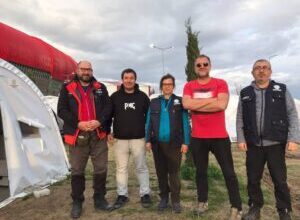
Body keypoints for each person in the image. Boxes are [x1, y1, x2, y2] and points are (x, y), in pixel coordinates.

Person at [236, 59, 299, 220]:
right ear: (252, 73)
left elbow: (292, 114)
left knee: (279, 179)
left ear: (270, 71)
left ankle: (284, 210)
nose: (261, 71)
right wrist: (241, 138)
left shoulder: (281, 89)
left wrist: (293, 138)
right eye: (257, 68)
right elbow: (240, 118)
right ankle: (255, 208)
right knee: (253, 179)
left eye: (265, 68)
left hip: (275, 143)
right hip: (253, 144)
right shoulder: (245, 93)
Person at [182, 55, 242, 219]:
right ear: (195, 67)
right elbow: (186, 104)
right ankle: (202, 201)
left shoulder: (220, 83)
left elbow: (222, 105)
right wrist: (212, 102)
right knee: (200, 172)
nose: (202, 66)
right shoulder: (189, 85)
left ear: (210, 66)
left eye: (205, 64)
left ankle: (236, 206)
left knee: (229, 173)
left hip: (219, 137)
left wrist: (198, 105)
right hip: (198, 137)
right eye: (198, 64)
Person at [57, 60, 112, 218]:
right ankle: (77, 202)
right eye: (83, 69)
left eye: (89, 69)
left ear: (92, 71)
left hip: (98, 134)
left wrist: (99, 121)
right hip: (77, 134)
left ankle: (99, 199)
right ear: (77, 70)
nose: (86, 72)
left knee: (101, 168)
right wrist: (78, 123)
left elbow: (108, 108)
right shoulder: (67, 88)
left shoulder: (100, 88)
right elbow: (61, 110)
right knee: (77, 170)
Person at [145, 74, 190, 213]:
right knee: (161, 173)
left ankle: (176, 201)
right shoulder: (153, 102)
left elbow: (185, 123)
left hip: (175, 144)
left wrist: (186, 142)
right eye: (165, 84)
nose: (167, 86)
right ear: (161, 86)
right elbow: (148, 122)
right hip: (157, 144)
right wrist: (147, 140)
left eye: (170, 84)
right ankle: (164, 198)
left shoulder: (180, 101)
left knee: (174, 173)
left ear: (173, 86)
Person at [108, 68, 151, 209]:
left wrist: (149, 135)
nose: (128, 80)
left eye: (131, 78)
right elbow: (108, 116)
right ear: (122, 80)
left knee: (142, 167)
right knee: (121, 169)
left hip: (139, 139)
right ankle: (122, 195)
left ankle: (145, 194)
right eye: (126, 78)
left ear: (135, 79)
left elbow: (149, 118)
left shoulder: (142, 97)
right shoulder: (114, 97)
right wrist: (108, 131)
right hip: (120, 140)